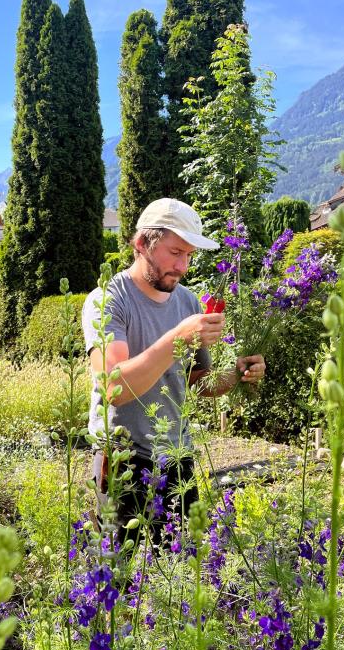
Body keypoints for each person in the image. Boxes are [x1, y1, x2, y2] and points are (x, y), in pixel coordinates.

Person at [82, 198, 265, 536]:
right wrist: (179, 337)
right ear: (142, 244)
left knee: (183, 562)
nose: (183, 266)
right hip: (122, 458)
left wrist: (237, 374)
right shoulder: (108, 300)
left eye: (189, 255)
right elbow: (115, 388)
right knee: (116, 565)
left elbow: (197, 382)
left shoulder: (187, 302)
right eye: (175, 252)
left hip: (177, 458)